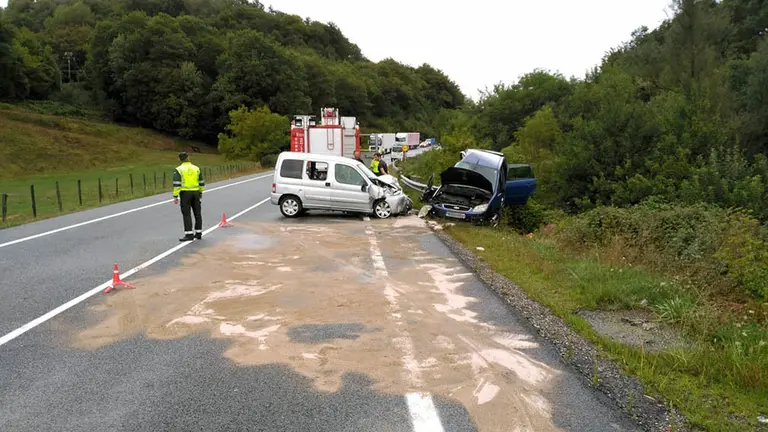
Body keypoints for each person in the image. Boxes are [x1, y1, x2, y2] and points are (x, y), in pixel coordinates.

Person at [172, 152, 205, 241]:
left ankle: (189, 234)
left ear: (180, 159)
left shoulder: (179, 169)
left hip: (185, 193)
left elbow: (177, 184)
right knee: (197, 213)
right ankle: (198, 232)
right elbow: (201, 181)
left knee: (186, 214)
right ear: (188, 158)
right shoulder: (196, 168)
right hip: (196, 192)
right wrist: (201, 191)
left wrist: (175, 196)